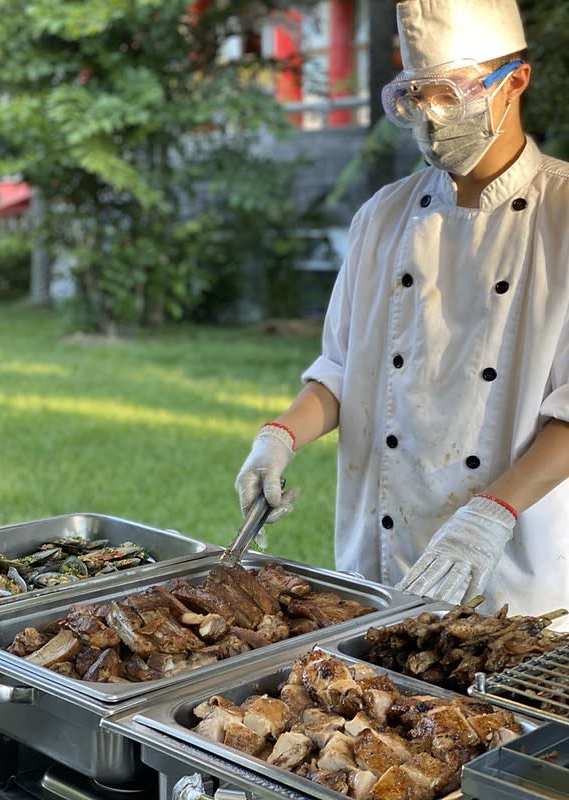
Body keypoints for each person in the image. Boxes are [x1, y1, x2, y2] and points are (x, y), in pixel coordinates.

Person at [236, 0, 569, 625]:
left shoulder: (563, 215)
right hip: (378, 564)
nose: (432, 116)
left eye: (451, 92)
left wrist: (491, 513)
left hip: (511, 569)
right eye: (416, 96)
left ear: (515, 80)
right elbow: (340, 370)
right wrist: (276, 438)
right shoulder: (382, 217)